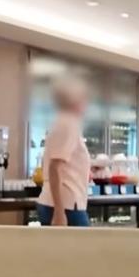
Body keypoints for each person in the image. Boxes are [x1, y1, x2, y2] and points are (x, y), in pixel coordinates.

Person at [37, 78, 91, 227]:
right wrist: (59, 212)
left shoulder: (63, 123)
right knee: (86, 242)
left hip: (60, 203)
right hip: (66, 204)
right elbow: (54, 167)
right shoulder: (68, 124)